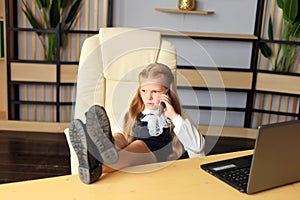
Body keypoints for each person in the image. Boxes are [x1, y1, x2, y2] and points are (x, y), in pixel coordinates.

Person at [69, 63, 205, 184]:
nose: (148, 97)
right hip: (128, 148)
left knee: (137, 145)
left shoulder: (175, 115)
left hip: (156, 154)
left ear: (168, 92)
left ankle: (93, 161)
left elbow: (198, 146)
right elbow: (121, 134)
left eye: (155, 92)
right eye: (144, 91)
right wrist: (117, 140)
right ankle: (99, 151)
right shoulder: (133, 111)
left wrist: (174, 116)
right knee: (119, 138)